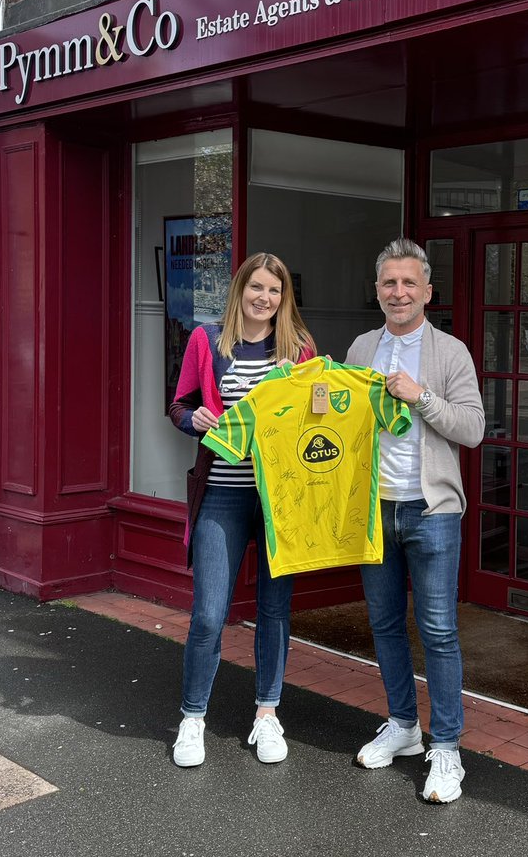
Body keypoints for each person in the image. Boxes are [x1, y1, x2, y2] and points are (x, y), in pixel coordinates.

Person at [345, 238, 484, 804]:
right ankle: (403, 727)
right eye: (388, 283)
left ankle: (446, 747)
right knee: (383, 625)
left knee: (439, 632)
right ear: (376, 290)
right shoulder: (359, 347)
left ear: (428, 291)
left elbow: (472, 429)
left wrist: (421, 395)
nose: (398, 292)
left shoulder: (451, 352)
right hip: (374, 511)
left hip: (431, 512)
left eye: (408, 283)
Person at [168, 252, 315, 768]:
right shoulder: (207, 341)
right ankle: (192, 719)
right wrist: (196, 420)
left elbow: (315, 420)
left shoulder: (299, 350)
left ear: (284, 297)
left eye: (274, 290)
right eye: (256, 287)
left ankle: (267, 716)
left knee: (274, 611)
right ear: (240, 290)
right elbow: (179, 406)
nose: (264, 298)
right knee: (209, 613)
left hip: (282, 501)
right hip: (223, 494)